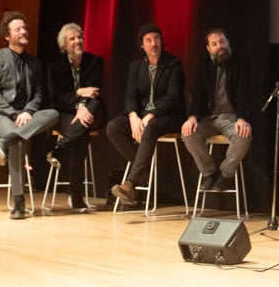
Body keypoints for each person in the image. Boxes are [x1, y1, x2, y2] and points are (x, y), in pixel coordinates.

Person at [0, 11, 59, 219]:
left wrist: (29, 111)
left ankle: (5, 141)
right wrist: (16, 115)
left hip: (23, 115)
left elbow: (38, 94)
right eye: (18, 29)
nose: (24, 31)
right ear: (7, 36)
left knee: (53, 114)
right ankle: (18, 202)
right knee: (19, 138)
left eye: (25, 28)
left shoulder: (34, 63)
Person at [106, 22, 185, 204]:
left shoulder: (174, 64)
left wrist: (151, 115)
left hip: (168, 116)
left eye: (156, 38)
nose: (153, 43)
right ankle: (143, 169)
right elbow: (130, 96)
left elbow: (173, 98)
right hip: (142, 115)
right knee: (114, 127)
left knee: (150, 128)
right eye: (148, 40)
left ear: (161, 41)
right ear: (142, 45)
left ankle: (131, 184)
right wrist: (133, 116)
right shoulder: (136, 67)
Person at [181, 28, 254, 193]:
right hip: (210, 118)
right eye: (214, 44)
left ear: (228, 42)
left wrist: (242, 118)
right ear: (208, 48)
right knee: (188, 133)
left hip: (232, 118)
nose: (219, 46)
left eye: (222, 42)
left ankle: (226, 175)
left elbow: (245, 93)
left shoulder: (241, 61)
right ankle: (209, 173)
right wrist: (192, 117)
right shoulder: (204, 63)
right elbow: (197, 93)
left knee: (243, 135)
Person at [45, 22, 106, 212]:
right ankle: (76, 196)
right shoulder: (55, 67)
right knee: (79, 136)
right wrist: (79, 93)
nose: (78, 41)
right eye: (72, 39)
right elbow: (57, 98)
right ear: (64, 45)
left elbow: (94, 92)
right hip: (67, 113)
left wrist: (82, 106)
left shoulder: (95, 61)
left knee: (94, 103)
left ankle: (60, 149)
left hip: (91, 111)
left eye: (79, 37)